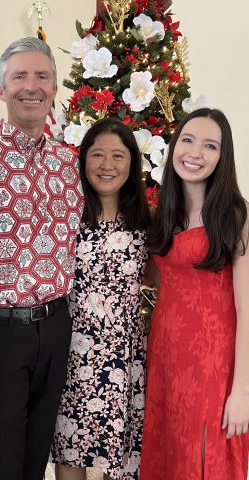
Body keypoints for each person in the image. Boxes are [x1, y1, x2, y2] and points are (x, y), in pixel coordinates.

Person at [0, 37, 84, 480]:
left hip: (56, 326)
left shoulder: (70, 162)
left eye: (42, 76)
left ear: (55, 88)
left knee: (38, 455)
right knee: (0, 456)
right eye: (19, 76)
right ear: (1, 89)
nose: (31, 86)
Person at [140, 108, 249, 479]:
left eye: (210, 145)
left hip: (213, 364)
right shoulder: (162, 214)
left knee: (202, 464)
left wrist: (242, 392)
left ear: (223, 156)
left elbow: (247, 311)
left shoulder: (236, 216)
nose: (195, 153)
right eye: (187, 140)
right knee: (167, 458)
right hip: (165, 358)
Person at [51, 118, 151, 480]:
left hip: (125, 357)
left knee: (121, 456)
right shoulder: (67, 215)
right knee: (71, 445)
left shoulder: (145, 221)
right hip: (72, 352)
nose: (107, 166)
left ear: (131, 163)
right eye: (97, 154)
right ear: (84, 160)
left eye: (117, 156)